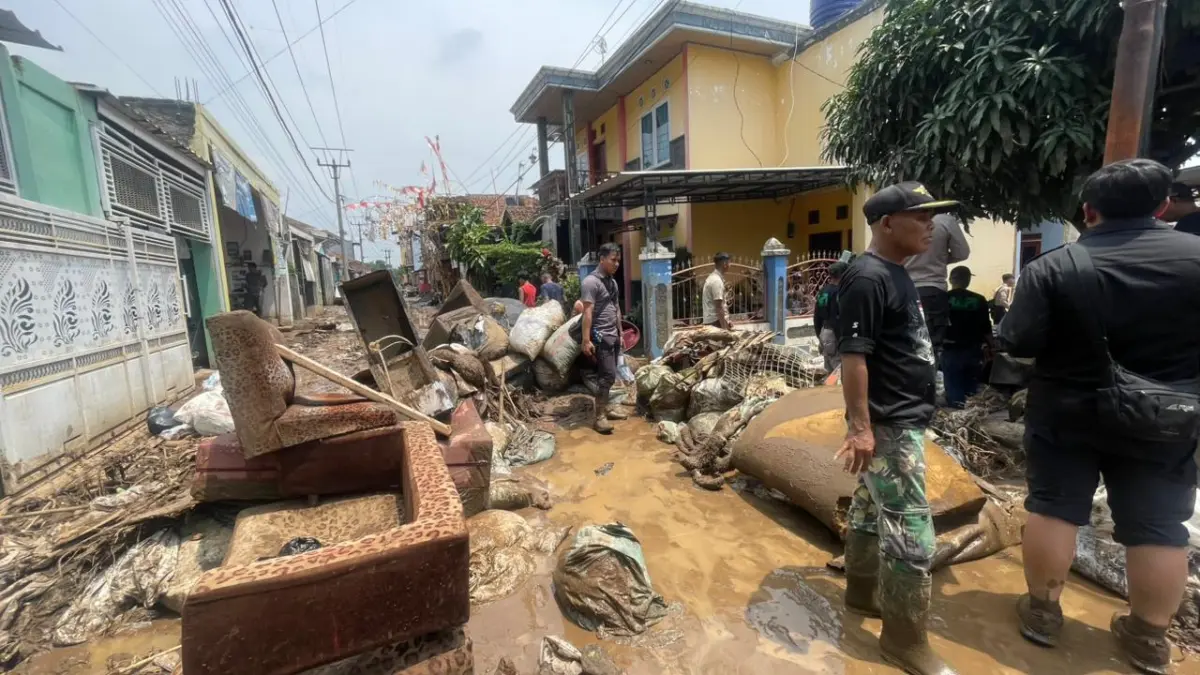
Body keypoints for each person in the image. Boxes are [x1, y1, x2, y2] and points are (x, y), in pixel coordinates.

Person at [1000, 159, 1200, 674]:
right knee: (1159, 525)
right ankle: (1149, 637)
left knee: (1053, 508)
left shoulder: (1053, 267)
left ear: (1088, 211)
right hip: (1166, 417)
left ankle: (1042, 614)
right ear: (1162, 207)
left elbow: (1017, 342)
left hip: (1069, 409)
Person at [836, 181, 958, 675]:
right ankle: (905, 641)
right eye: (921, 216)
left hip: (896, 418)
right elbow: (853, 357)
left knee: (868, 509)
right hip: (887, 424)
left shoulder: (897, 273)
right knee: (912, 531)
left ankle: (861, 596)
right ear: (887, 223)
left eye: (933, 215)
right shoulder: (867, 277)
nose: (932, 224)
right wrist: (862, 428)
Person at [904, 212, 970, 363]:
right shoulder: (945, 220)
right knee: (930, 348)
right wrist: (940, 259)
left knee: (906, 345)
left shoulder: (902, 218)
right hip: (933, 290)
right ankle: (926, 383)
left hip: (904, 289)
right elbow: (962, 253)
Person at [581, 243, 628, 435]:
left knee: (611, 374)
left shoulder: (612, 282)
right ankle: (599, 416)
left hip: (613, 335)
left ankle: (606, 407)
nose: (616, 264)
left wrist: (621, 333)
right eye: (613, 260)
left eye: (618, 260)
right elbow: (587, 312)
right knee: (607, 375)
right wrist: (586, 340)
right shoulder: (591, 282)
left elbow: (616, 308)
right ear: (602, 259)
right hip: (600, 336)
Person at [942, 266, 993, 408]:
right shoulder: (979, 299)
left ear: (951, 279)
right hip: (973, 349)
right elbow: (986, 327)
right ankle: (970, 414)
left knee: (953, 387)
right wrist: (992, 346)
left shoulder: (943, 298)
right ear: (968, 280)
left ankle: (957, 418)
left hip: (950, 348)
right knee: (971, 388)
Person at [813, 261, 848, 374]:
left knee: (828, 368)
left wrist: (819, 335)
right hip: (834, 334)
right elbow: (835, 317)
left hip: (824, 332)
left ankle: (827, 390)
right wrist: (841, 338)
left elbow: (816, 315)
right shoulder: (838, 292)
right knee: (838, 370)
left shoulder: (824, 290)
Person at [701, 252, 731, 329]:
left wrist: (727, 321)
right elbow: (719, 307)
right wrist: (724, 328)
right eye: (729, 263)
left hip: (713, 321)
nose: (730, 265)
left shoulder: (713, 278)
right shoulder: (716, 281)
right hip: (715, 323)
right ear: (725, 264)